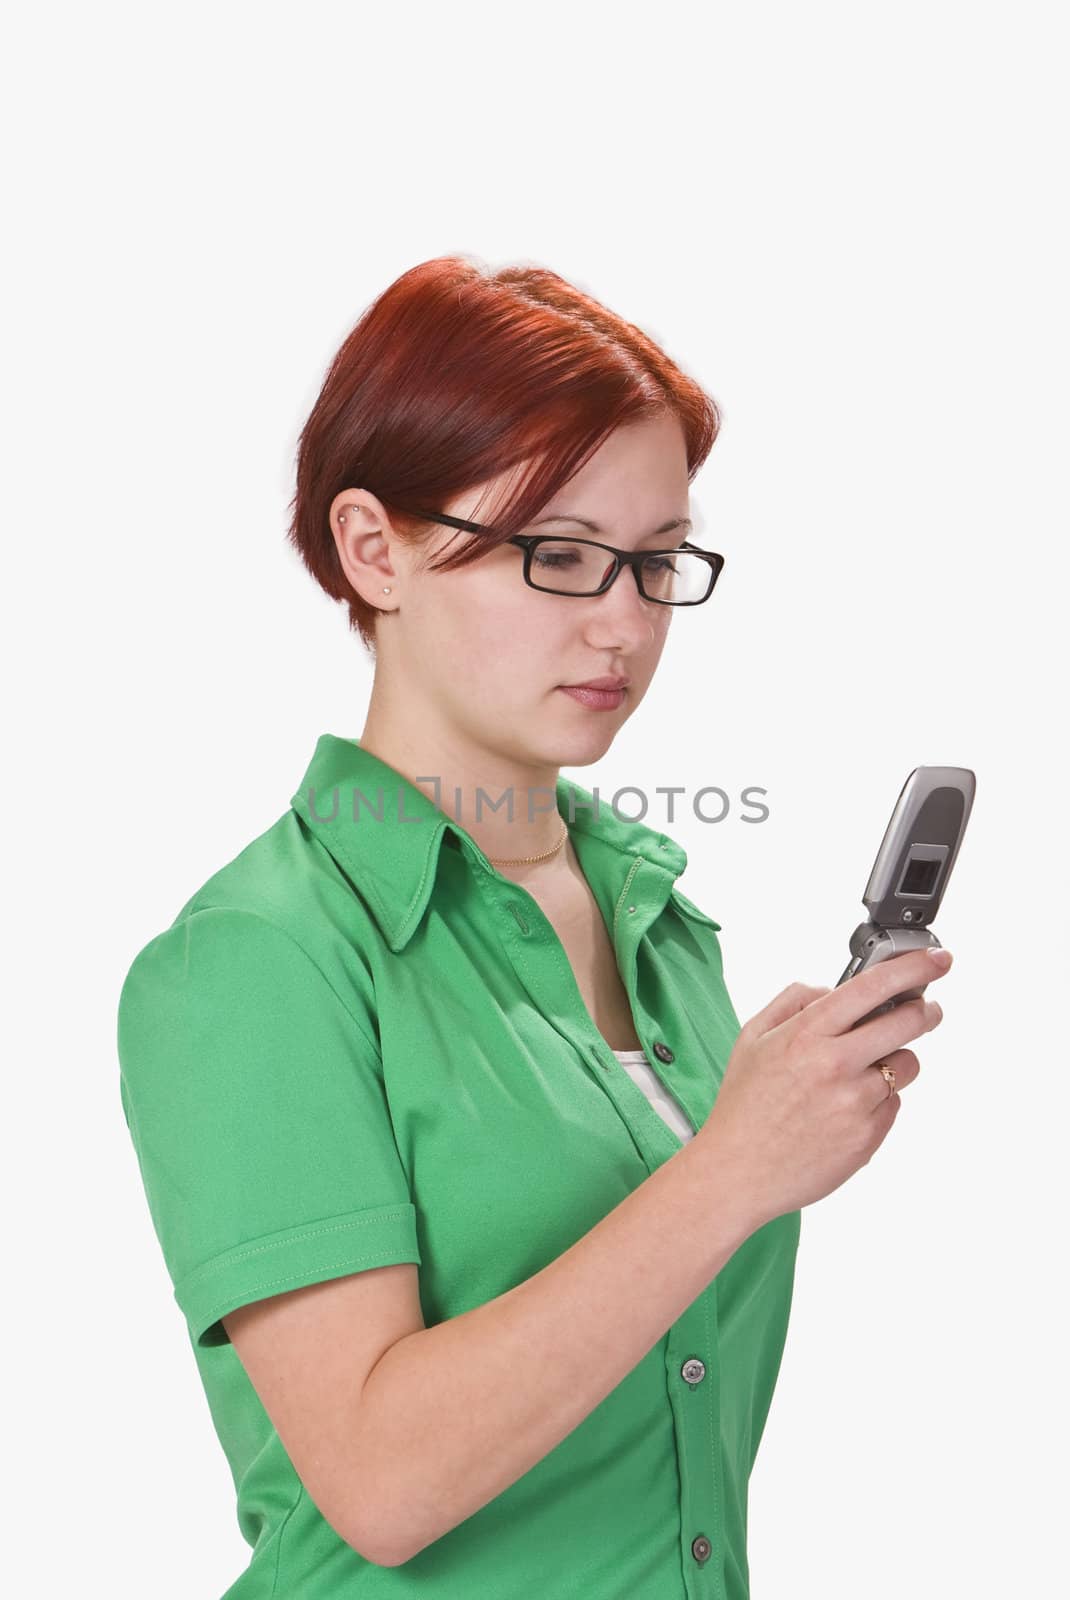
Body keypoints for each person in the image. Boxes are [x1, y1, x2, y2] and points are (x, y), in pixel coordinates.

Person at [116, 255, 950, 1598]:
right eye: (556, 556)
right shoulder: (256, 958)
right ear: (372, 548)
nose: (620, 622)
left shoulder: (660, 924)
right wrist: (734, 1168)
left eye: (657, 562)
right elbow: (383, 1483)